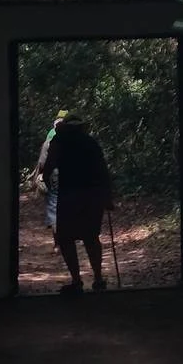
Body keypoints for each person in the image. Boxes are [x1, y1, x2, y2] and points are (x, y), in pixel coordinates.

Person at [40, 115, 113, 294]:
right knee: (91, 237)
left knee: (66, 238)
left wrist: (47, 183)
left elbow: (49, 166)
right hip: (91, 195)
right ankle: (97, 279)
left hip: (69, 195)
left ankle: (77, 280)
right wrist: (107, 196)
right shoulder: (90, 142)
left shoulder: (59, 141)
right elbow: (103, 170)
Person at [31, 111, 67, 237]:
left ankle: (57, 238)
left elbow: (43, 162)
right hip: (71, 176)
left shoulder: (50, 141)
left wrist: (43, 176)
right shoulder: (74, 142)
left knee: (53, 204)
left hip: (54, 175)